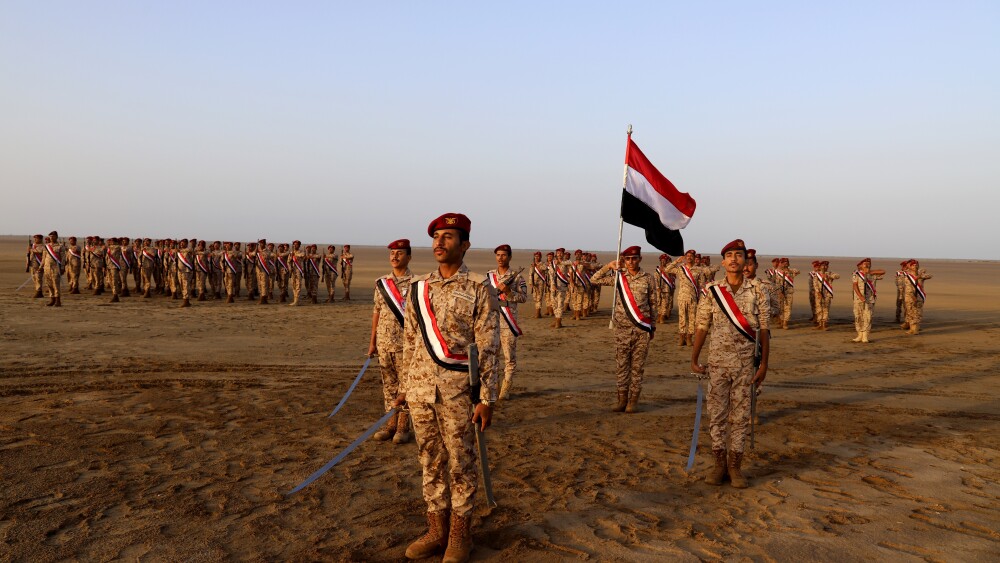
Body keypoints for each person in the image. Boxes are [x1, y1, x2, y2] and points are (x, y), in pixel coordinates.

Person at [393, 213, 499, 562]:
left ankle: (459, 536)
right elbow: (409, 340)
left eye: (449, 236)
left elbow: (489, 348)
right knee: (430, 461)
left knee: (460, 464)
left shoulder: (479, 290)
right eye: (436, 236)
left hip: (458, 394)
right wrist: (404, 387)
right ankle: (436, 531)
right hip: (421, 392)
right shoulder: (419, 288)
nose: (440, 242)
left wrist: (486, 398)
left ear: (464, 245)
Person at [691, 239, 769, 489]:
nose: (734, 259)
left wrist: (764, 364)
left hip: (747, 365)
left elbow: (764, 330)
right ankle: (719, 464)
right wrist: (694, 357)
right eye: (729, 255)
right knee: (717, 415)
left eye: (739, 255)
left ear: (746, 261)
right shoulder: (712, 290)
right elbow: (702, 325)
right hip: (717, 363)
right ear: (723, 262)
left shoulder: (758, 290)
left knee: (741, 416)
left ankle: (735, 467)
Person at [589, 246, 657, 413]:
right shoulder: (619, 277)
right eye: (627, 259)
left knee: (637, 367)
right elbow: (594, 280)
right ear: (623, 260)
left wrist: (652, 326)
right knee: (622, 366)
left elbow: (653, 303)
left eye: (634, 258)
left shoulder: (648, 278)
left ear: (640, 259)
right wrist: (609, 266)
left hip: (641, 329)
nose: (631, 262)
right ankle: (621, 399)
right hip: (622, 330)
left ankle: (633, 401)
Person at [369, 239, 414, 444]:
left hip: (406, 345)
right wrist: (373, 342)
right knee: (389, 387)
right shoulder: (381, 283)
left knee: (405, 387)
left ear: (409, 256)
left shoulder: (416, 283)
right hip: (385, 344)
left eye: (400, 253)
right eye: (392, 253)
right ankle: (390, 424)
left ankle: (403, 427)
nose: (394, 257)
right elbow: (377, 312)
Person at [486, 244, 527, 401]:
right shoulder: (489, 276)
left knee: (509, 356)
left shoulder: (517, 277)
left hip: (508, 320)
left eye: (504, 255)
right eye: (498, 255)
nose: (500, 258)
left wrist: (509, 291)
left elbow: (523, 298)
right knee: (492, 356)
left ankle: (506, 388)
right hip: (492, 321)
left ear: (509, 257)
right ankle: (494, 386)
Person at [666, 249, 702, 346]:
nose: (689, 257)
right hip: (682, 297)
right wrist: (676, 261)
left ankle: (689, 338)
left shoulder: (698, 270)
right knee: (682, 318)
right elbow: (667, 269)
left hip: (693, 298)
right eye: (687, 256)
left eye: (691, 256)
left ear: (694, 258)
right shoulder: (681, 269)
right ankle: (682, 337)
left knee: (692, 319)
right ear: (685, 258)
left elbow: (701, 285)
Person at [851, 258, 885, 343]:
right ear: (860, 266)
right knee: (858, 316)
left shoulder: (873, 274)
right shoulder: (856, 274)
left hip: (869, 299)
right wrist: (860, 296)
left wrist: (870, 272)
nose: (867, 265)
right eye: (865, 263)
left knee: (868, 317)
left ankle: (865, 336)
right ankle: (859, 335)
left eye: (868, 263)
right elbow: (855, 286)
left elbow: (883, 271)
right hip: (858, 299)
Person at [901, 259, 933, 335]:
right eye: (913, 265)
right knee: (910, 313)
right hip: (910, 298)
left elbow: (930, 276)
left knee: (917, 313)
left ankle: (914, 330)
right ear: (910, 267)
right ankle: (913, 329)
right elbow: (909, 289)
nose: (915, 266)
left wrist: (919, 276)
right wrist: (913, 297)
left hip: (919, 297)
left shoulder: (920, 275)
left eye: (916, 265)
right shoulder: (908, 276)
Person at [41, 231, 66, 306]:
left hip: (56, 268)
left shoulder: (60, 246)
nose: (51, 238)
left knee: (56, 284)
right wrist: (41, 267)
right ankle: (52, 299)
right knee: (49, 284)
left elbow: (63, 258)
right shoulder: (47, 246)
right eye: (50, 236)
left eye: (53, 236)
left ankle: (58, 300)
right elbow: (43, 257)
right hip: (47, 268)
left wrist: (62, 267)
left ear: (56, 237)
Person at [774, 258, 800, 329]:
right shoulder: (777, 272)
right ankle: (781, 322)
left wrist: (788, 270)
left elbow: (798, 271)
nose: (785, 263)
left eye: (786, 262)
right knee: (781, 308)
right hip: (780, 293)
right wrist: (779, 292)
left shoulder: (791, 271)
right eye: (783, 262)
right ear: (781, 263)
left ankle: (785, 323)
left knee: (787, 308)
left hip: (789, 292)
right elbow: (776, 283)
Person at [815, 261, 839, 331]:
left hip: (827, 294)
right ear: (820, 267)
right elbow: (815, 284)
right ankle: (819, 324)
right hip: (819, 294)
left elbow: (838, 276)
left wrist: (829, 276)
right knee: (819, 309)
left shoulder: (830, 273)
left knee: (826, 309)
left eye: (826, 266)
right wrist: (818, 292)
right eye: (823, 266)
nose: (824, 267)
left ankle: (824, 324)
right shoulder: (817, 275)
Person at [655, 254, 675, 323]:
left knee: (665, 303)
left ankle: (662, 318)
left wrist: (672, 287)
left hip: (666, 289)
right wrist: (657, 287)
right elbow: (655, 279)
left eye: (665, 261)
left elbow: (672, 278)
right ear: (660, 261)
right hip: (658, 289)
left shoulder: (669, 269)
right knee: (658, 303)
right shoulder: (657, 269)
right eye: (662, 260)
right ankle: (659, 316)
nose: (663, 262)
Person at [528, 251, 547, 318]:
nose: (536, 257)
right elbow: (530, 274)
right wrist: (530, 283)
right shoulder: (532, 265)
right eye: (535, 256)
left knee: (539, 298)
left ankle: (538, 313)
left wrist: (537, 265)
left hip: (540, 284)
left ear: (540, 257)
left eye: (538, 256)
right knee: (535, 298)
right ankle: (538, 312)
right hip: (534, 284)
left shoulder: (543, 264)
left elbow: (545, 268)